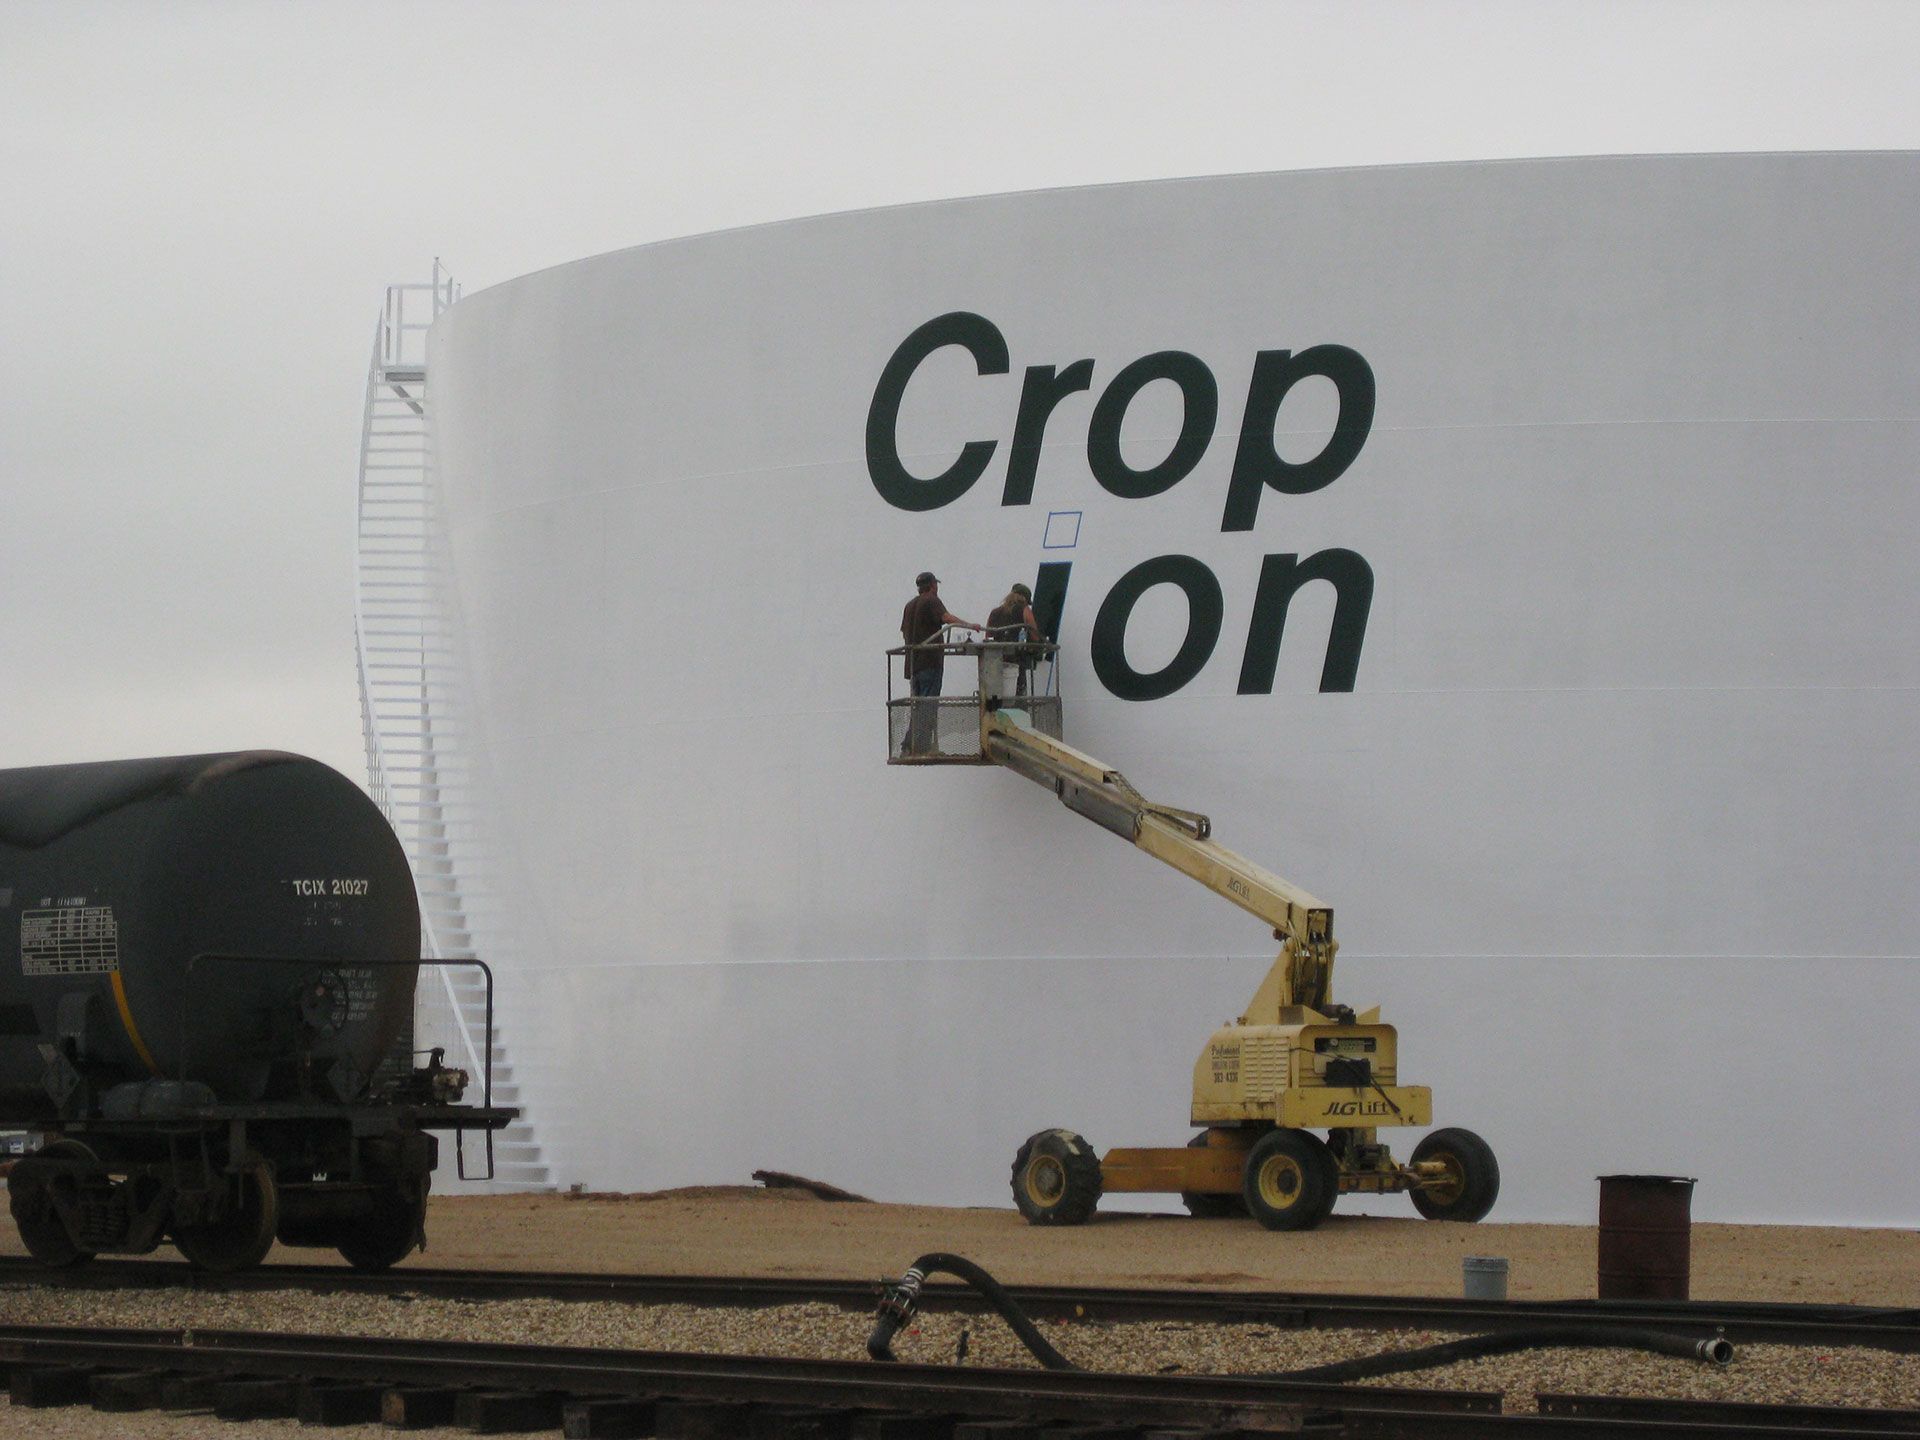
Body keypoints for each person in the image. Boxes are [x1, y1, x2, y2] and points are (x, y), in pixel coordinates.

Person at [900, 571, 981, 755]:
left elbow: (904, 631)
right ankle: (922, 747)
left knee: (918, 705)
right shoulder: (931, 600)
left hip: (913, 665)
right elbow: (946, 618)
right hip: (930, 662)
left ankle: (908, 745)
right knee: (928, 705)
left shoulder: (909, 605)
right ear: (932, 585)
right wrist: (969, 625)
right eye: (936, 584)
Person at [985, 582, 1043, 697]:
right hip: (1016, 661)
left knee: (994, 700)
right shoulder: (1024, 610)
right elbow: (1035, 635)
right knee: (1017, 698)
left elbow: (987, 637)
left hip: (994, 661)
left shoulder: (994, 612)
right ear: (1024, 599)